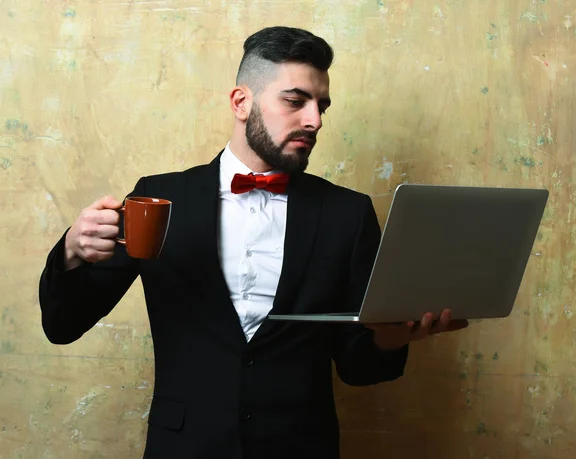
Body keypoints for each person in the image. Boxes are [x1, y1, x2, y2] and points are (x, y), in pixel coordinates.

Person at [39, 26, 468, 459]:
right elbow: (62, 325)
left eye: (321, 106)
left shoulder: (348, 215)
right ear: (241, 103)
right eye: (296, 101)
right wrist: (73, 252)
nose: (314, 120)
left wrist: (391, 339)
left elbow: (357, 367)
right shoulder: (159, 199)